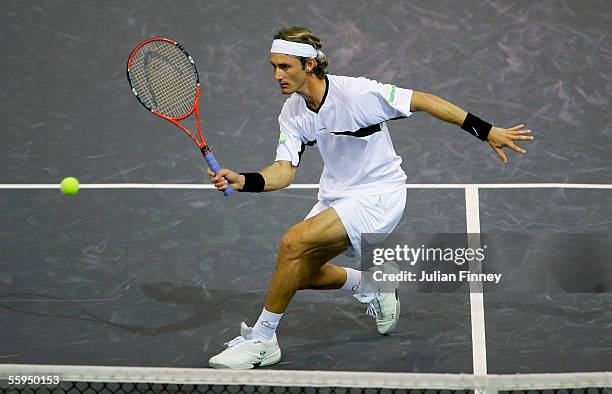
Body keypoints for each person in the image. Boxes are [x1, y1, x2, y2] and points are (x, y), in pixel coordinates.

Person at [207, 26, 533, 369]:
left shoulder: (358, 94)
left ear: (310, 66)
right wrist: (245, 180)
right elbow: (284, 171)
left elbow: (422, 100)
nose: (277, 75)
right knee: (297, 275)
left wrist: (486, 131)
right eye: (273, 66)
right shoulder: (292, 113)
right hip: (337, 196)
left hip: (379, 194)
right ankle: (373, 283)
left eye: (285, 67)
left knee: (292, 243)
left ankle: (262, 340)